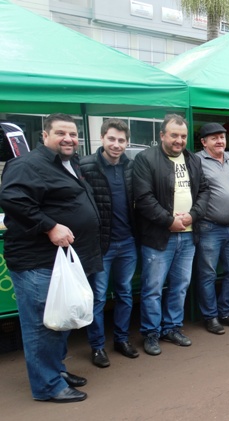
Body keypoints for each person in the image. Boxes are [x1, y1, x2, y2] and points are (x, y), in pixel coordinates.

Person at [0, 113, 102, 403]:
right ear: (45, 136)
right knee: (42, 326)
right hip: (37, 262)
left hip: (63, 261)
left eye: (73, 134)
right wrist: (50, 226)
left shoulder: (70, 164)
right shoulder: (28, 164)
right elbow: (12, 199)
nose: (68, 138)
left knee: (59, 321)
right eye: (60, 133)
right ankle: (47, 386)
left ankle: (55, 370)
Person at [133, 114, 209, 356]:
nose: (179, 140)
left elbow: (205, 191)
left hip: (188, 236)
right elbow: (143, 198)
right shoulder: (145, 159)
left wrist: (192, 216)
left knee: (180, 286)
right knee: (153, 288)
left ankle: (172, 327)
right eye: (174, 135)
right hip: (158, 237)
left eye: (183, 136)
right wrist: (169, 221)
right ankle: (151, 333)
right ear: (162, 135)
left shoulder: (193, 160)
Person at [79, 118, 138, 368]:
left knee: (125, 293)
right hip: (100, 246)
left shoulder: (132, 166)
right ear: (102, 138)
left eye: (121, 140)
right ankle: (97, 347)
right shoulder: (85, 165)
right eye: (111, 138)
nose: (116, 144)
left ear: (127, 142)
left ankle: (121, 340)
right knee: (99, 298)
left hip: (128, 243)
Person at [195, 123, 229, 335]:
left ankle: (225, 311)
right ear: (204, 141)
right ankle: (210, 316)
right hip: (209, 227)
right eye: (214, 138)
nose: (220, 141)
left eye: (222, 137)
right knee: (207, 274)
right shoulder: (196, 160)